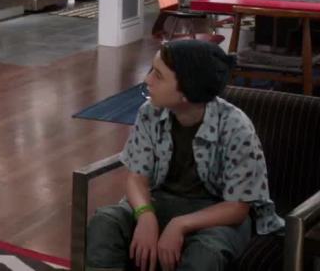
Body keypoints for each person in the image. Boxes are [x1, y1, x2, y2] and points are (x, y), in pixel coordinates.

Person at [86, 40, 283, 271]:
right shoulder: (149, 113)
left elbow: (237, 207)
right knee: (105, 223)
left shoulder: (236, 127)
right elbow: (136, 178)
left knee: (205, 255)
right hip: (160, 201)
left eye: (158, 75)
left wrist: (180, 225)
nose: (148, 80)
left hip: (217, 214)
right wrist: (145, 215)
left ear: (186, 92)